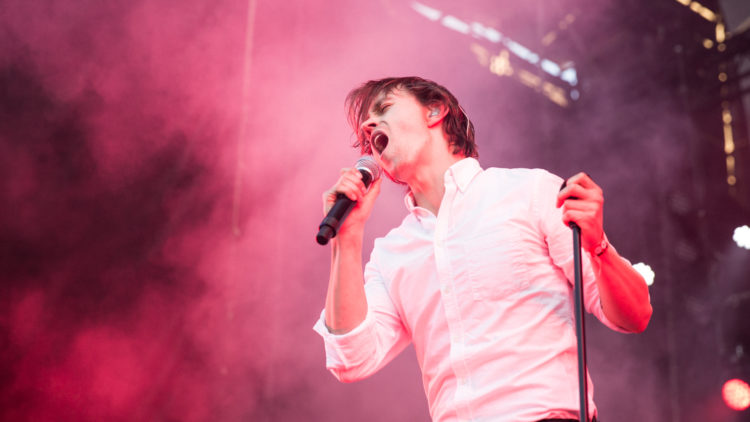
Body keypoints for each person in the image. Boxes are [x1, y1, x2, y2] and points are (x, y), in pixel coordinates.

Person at [313, 76, 652, 422]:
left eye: (383, 109)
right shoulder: (392, 253)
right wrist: (348, 241)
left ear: (435, 110)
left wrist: (597, 245)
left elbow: (635, 315)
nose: (369, 127)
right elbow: (351, 358)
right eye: (364, 134)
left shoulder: (529, 193)